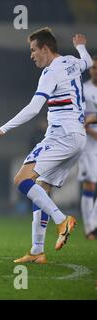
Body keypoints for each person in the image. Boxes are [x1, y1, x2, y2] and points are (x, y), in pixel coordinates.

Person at [0, 28, 93, 264]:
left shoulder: (50, 72)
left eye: (34, 50)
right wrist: (81, 46)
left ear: (45, 49)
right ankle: (37, 250)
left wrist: (2, 129)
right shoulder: (71, 62)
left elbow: (34, 109)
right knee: (42, 188)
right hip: (77, 138)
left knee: (21, 180)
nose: (32, 55)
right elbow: (86, 61)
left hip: (60, 136)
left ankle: (61, 219)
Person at [79, 56, 97, 239]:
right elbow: (82, 120)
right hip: (88, 145)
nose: (94, 71)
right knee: (90, 184)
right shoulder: (84, 90)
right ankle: (89, 229)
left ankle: (93, 224)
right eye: (93, 68)